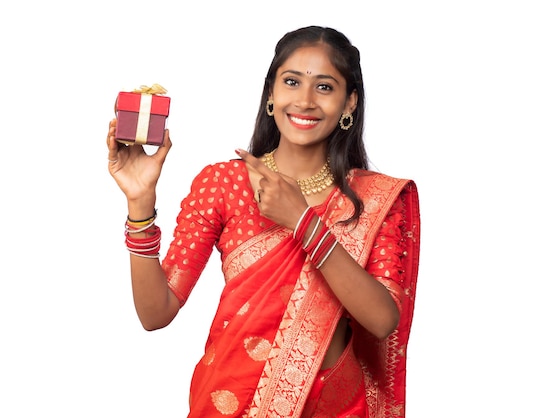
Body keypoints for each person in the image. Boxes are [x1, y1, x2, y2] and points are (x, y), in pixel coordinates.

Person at [106, 25, 421, 418]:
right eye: (292, 82)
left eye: (325, 87)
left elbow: (382, 319)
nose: (305, 100)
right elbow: (155, 313)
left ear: (349, 103)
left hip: (334, 407)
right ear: (271, 93)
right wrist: (140, 203)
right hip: (230, 401)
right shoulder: (224, 183)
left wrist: (303, 222)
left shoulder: (372, 200)